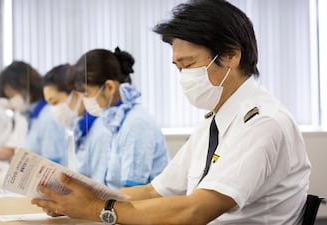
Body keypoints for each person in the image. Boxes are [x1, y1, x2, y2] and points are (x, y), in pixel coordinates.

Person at [31, 0, 311, 224]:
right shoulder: (214, 119)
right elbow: (155, 191)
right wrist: (77, 197)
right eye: (177, 67)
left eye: (188, 65)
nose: (183, 77)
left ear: (231, 55)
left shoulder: (261, 122)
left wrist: (96, 209)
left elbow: (195, 212)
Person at [72, 47, 169, 189]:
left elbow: (132, 192)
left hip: (146, 208)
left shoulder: (136, 124)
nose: (85, 101)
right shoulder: (117, 123)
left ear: (109, 88)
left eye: (87, 94)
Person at [42, 64, 112, 182]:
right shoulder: (79, 129)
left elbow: (101, 188)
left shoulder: (101, 132)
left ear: (76, 94)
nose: (53, 110)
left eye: (55, 102)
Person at [0, 61, 68, 165]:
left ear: (24, 86)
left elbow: (52, 165)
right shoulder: (33, 117)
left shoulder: (48, 117)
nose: (11, 101)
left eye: (12, 96)